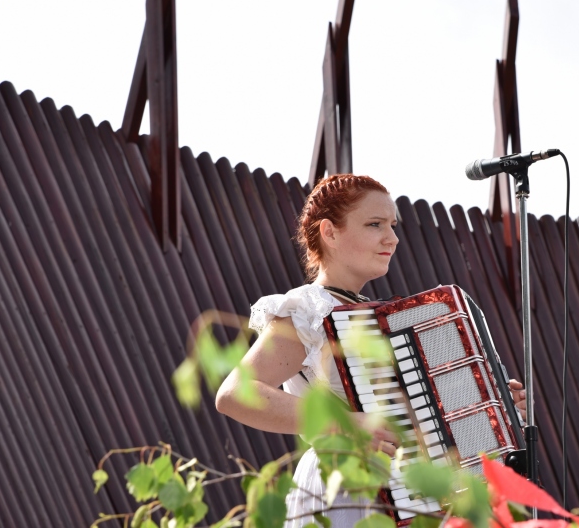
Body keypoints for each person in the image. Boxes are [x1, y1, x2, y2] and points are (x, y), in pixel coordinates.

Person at [215, 174, 527, 526]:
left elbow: (419, 419)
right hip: (342, 495)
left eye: (393, 226)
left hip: (408, 499)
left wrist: (490, 405)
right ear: (330, 233)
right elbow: (234, 395)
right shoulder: (307, 308)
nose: (392, 238)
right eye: (375, 224)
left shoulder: (382, 319)